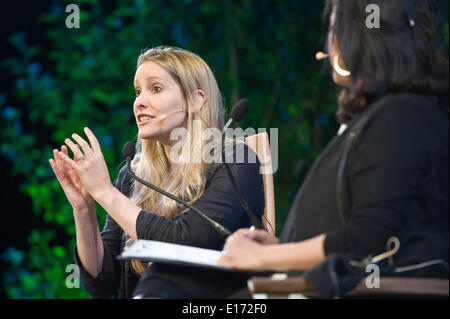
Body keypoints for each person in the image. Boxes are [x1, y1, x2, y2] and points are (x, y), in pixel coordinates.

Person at [218, 0, 449, 289]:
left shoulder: (402, 115)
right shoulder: (387, 116)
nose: (329, 41)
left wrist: (265, 257)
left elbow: (366, 238)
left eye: (335, 26)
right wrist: (280, 246)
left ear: (363, 36)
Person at [49, 46, 265, 298]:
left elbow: (188, 241)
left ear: (196, 100)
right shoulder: (132, 174)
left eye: (156, 89)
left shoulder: (235, 161)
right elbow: (102, 283)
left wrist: (104, 192)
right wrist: (84, 207)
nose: (139, 102)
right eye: (138, 92)